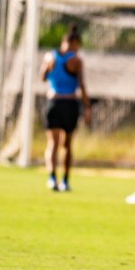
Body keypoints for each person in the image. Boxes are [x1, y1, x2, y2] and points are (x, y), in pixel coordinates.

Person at [39, 23, 91, 192]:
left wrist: (50, 69)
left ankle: (52, 178)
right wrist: (87, 107)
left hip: (53, 102)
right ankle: (65, 181)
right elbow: (81, 85)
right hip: (69, 103)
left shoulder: (50, 56)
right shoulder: (76, 60)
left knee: (52, 143)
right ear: (75, 44)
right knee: (66, 144)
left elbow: (42, 78)